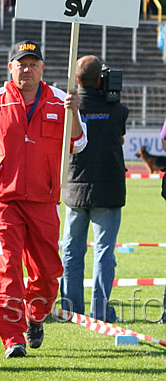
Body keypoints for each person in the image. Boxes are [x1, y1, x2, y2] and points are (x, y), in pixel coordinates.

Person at [0, 40, 87, 358]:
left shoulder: (60, 103)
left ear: (42, 69)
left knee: (50, 274)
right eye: (20, 63)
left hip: (45, 201)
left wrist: (75, 112)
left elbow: (78, 143)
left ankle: (34, 316)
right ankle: (13, 338)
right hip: (5, 201)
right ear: (10, 68)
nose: (27, 68)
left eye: (33, 63)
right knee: (8, 268)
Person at [60, 55, 129, 323]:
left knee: (72, 252)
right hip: (108, 192)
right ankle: (100, 312)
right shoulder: (118, 110)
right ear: (101, 79)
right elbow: (119, 137)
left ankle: (71, 309)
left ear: (76, 80)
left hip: (76, 190)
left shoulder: (68, 110)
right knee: (103, 253)